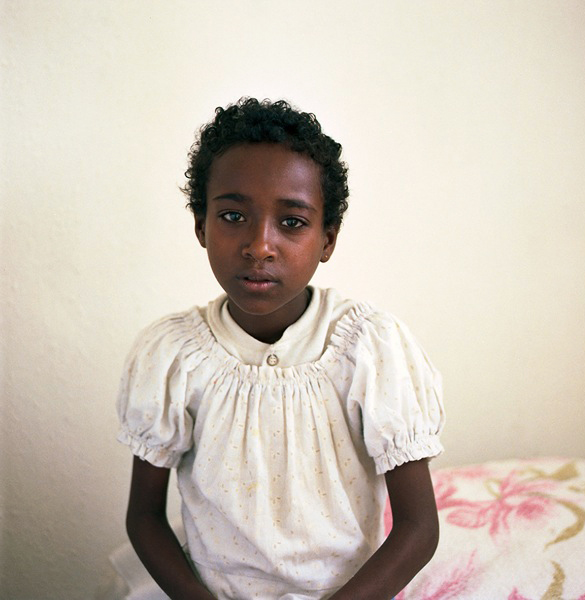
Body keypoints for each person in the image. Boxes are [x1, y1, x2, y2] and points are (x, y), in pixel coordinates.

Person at [117, 97, 445, 600]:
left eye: (291, 222)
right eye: (232, 215)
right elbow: (143, 517)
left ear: (327, 239)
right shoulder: (174, 356)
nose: (260, 245)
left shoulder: (370, 348)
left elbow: (419, 527)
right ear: (201, 226)